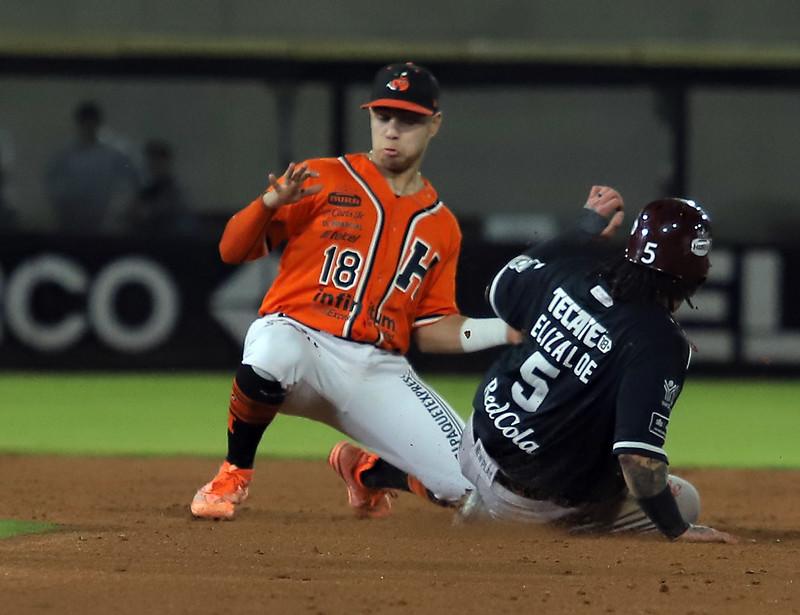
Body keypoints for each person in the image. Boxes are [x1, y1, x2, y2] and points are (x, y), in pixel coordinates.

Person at [190, 62, 523, 520]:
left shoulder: (442, 225)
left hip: (376, 370)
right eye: (383, 116)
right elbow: (232, 249)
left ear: (434, 124)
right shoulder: (320, 177)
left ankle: (368, 471)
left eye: (408, 120)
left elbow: (432, 329)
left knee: (477, 493)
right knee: (272, 348)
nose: (392, 130)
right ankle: (234, 473)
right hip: (302, 347)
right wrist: (268, 203)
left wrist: (503, 331)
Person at [457, 194, 738, 544]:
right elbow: (636, 458)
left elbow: (498, 289)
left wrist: (580, 233)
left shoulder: (574, 271)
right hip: (528, 503)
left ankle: (482, 500)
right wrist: (677, 529)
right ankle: (538, 527)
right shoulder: (659, 341)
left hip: (473, 443)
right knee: (684, 501)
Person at [45, 101, 138, 233]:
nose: (89, 127)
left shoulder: (112, 155)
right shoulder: (65, 156)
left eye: (92, 123)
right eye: (85, 123)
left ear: (98, 124)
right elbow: (52, 184)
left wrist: (118, 211)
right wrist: (64, 204)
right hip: (71, 221)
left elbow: (129, 183)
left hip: (104, 222)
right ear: (79, 124)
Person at [124, 139, 198, 236]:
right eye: (151, 162)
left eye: (157, 162)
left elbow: (182, 218)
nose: (153, 166)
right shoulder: (146, 189)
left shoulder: (177, 190)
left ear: (166, 162)